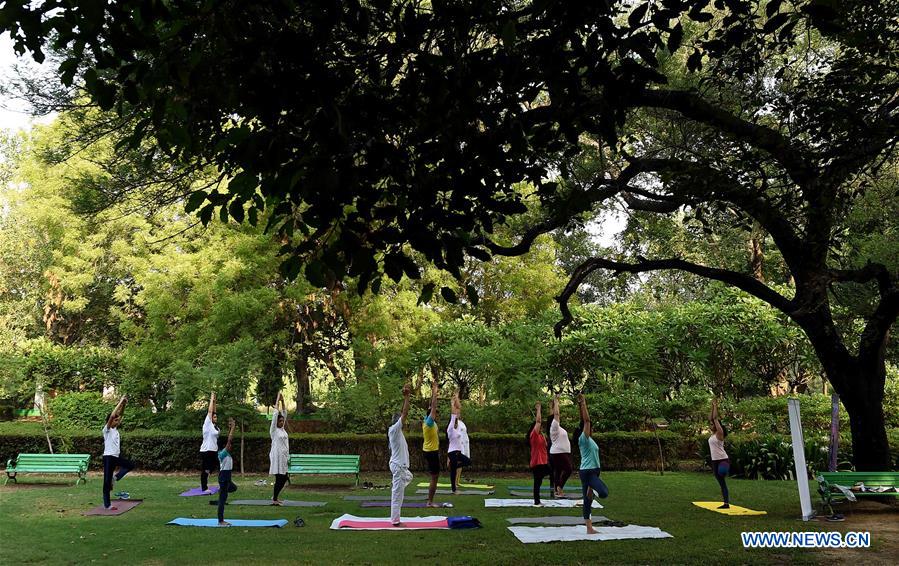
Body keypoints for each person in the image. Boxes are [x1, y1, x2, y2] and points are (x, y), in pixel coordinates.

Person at [576, 393, 609, 535]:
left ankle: (589, 529)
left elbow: (583, 421)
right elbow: (586, 421)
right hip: (588, 472)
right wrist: (583, 403)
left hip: (591, 471)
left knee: (587, 501)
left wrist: (579, 405)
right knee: (603, 493)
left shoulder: (590, 441)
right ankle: (593, 488)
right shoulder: (583, 439)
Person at [101, 395, 135, 510]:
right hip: (108, 457)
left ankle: (115, 478)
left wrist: (124, 405)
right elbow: (112, 416)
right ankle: (107, 505)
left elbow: (121, 415)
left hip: (116, 456)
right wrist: (120, 402)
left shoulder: (115, 430)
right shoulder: (107, 430)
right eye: (115, 420)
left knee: (130, 465)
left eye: (117, 420)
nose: (118, 421)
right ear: (110, 422)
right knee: (106, 482)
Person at [388, 383, 413, 526]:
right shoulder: (394, 430)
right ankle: (395, 520)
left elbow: (403, 416)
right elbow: (404, 413)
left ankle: (397, 485)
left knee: (409, 477)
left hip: (400, 467)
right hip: (398, 467)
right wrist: (407, 397)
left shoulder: (397, 432)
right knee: (397, 494)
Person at [446, 391, 471, 494]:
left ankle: (452, 466)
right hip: (452, 452)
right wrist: (453, 403)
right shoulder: (451, 428)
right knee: (453, 473)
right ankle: (454, 490)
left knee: (468, 462)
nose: (457, 417)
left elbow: (458, 409)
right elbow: (454, 413)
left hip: (458, 453)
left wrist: (457, 398)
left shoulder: (457, 427)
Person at [422, 379, 441, 507]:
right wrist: (434, 391)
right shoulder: (429, 423)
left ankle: (430, 500)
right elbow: (433, 406)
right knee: (434, 477)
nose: (436, 414)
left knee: (434, 476)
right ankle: (430, 502)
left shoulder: (427, 420)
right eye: (434, 413)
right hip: (431, 452)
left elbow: (431, 406)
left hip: (429, 451)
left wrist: (432, 391)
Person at [549, 395, 573, 498]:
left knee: (558, 471)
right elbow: (557, 414)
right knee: (568, 469)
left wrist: (553, 405)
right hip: (558, 452)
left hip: (560, 452)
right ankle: (559, 488)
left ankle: (557, 491)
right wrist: (556, 401)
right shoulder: (554, 426)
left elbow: (555, 415)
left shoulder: (558, 427)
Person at [528, 401, 551, 506]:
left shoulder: (542, 436)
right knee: (537, 482)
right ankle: (537, 501)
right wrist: (538, 409)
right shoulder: (534, 435)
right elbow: (538, 421)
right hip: (537, 463)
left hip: (543, 462)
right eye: (540, 427)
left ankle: (556, 489)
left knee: (551, 474)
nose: (541, 427)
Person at [216, 418, 238, 526]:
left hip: (227, 477)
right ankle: (221, 521)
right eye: (227, 446)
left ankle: (221, 491)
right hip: (224, 477)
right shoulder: (222, 454)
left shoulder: (225, 453)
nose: (230, 447)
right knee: (222, 500)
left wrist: (230, 428)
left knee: (234, 488)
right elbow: (229, 441)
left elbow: (228, 442)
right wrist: (233, 427)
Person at [709, 398, 730, 509]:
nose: (711, 425)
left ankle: (726, 471)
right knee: (721, 482)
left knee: (721, 474)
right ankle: (726, 503)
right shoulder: (712, 435)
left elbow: (715, 418)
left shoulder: (720, 434)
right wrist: (712, 406)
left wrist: (716, 406)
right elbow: (711, 418)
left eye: (713, 424)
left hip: (723, 460)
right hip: (715, 461)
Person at [269, 391, 290, 505]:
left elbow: (284, 413)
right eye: (280, 421)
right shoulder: (274, 430)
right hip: (277, 457)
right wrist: (277, 398)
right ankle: (275, 499)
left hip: (283, 457)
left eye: (282, 421)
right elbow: (275, 415)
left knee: (284, 478)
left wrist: (283, 401)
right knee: (279, 478)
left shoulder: (282, 430)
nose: (282, 422)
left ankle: (275, 497)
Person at [200, 391, 220, 494]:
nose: (216, 418)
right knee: (206, 470)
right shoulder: (207, 424)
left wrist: (215, 401)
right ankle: (204, 488)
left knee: (217, 467)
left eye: (216, 417)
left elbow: (214, 412)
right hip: (206, 450)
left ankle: (222, 484)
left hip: (214, 450)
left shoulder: (215, 427)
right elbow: (210, 411)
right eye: (214, 417)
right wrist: (211, 399)